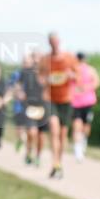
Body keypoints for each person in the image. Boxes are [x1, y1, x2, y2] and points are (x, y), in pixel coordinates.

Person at [39, 33, 77, 179]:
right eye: (51, 42)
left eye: (56, 41)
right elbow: (40, 78)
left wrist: (70, 75)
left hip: (66, 99)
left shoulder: (69, 58)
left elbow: (77, 76)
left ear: (59, 42)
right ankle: (54, 163)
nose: (54, 44)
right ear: (49, 43)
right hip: (50, 99)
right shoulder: (45, 59)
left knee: (62, 135)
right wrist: (46, 80)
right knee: (54, 130)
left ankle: (59, 164)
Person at [19, 53, 49, 167]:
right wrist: (20, 93)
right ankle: (28, 152)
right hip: (30, 107)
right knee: (32, 132)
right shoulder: (26, 73)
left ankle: (38, 156)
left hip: (44, 107)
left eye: (39, 58)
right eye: (35, 58)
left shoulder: (47, 73)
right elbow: (18, 86)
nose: (37, 60)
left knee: (41, 135)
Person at [70, 52, 100, 161]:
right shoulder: (72, 70)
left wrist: (86, 87)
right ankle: (78, 149)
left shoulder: (90, 70)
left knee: (86, 126)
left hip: (88, 103)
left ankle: (83, 142)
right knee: (77, 125)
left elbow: (97, 82)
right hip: (75, 103)